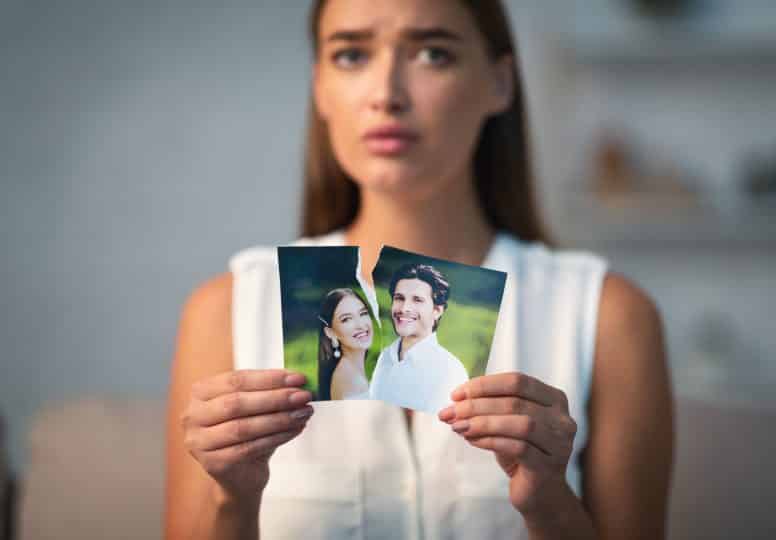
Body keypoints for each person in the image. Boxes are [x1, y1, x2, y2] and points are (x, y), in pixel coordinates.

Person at [164, 1, 673, 539]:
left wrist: (548, 502)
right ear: (320, 88)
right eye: (352, 54)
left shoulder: (609, 315)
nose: (386, 93)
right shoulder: (227, 309)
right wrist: (233, 499)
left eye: (433, 53)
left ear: (499, 83)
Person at [369, 263, 469, 413]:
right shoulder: (384, 358)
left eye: (417, 300)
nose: (404, 308)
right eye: (399, 298)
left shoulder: (451, 370)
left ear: (437, 310)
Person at [316, 288, 374, 400]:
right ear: (331, 332)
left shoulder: (346, 371)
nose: (361, 325)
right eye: (346, 319)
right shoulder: (353, 381)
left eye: (363, 313)